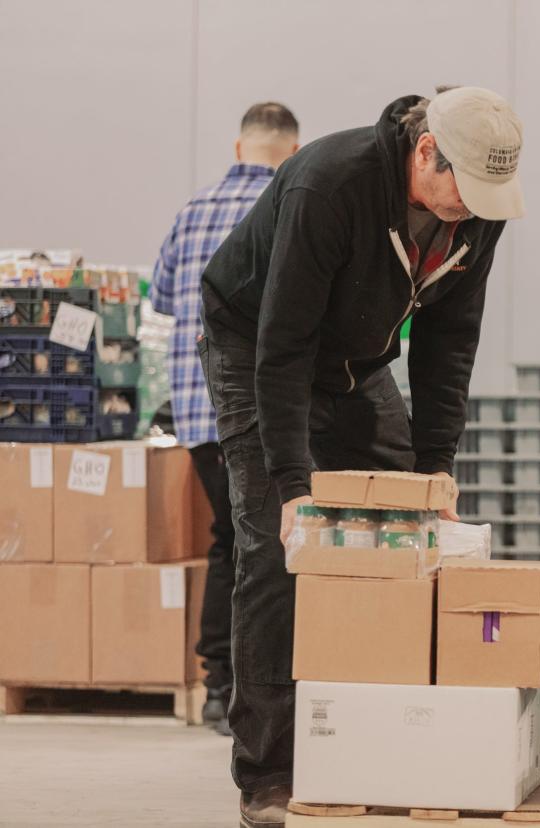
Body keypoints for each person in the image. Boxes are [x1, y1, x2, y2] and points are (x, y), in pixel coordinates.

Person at [199, 87, 524, 828]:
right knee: (276, 551)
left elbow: (449, 342)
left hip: (357, 361)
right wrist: (290, 485)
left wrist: (435, 463)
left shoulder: (477, 211)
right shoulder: (331, 183)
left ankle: (402, 738)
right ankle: (268, 774)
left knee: (416, 522)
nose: (469, 208)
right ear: (424, 153)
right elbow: (281, 346)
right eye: (462, 190)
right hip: (256, 349)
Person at [150, 102, 299, 735]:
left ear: (240, 148)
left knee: (227, 541)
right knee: (267, 549)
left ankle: (218, 686)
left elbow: (159, 299)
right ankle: (262, 688)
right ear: (292, 152)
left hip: (196, 406)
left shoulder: (191, 211)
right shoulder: (292, 206)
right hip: (266, 408)